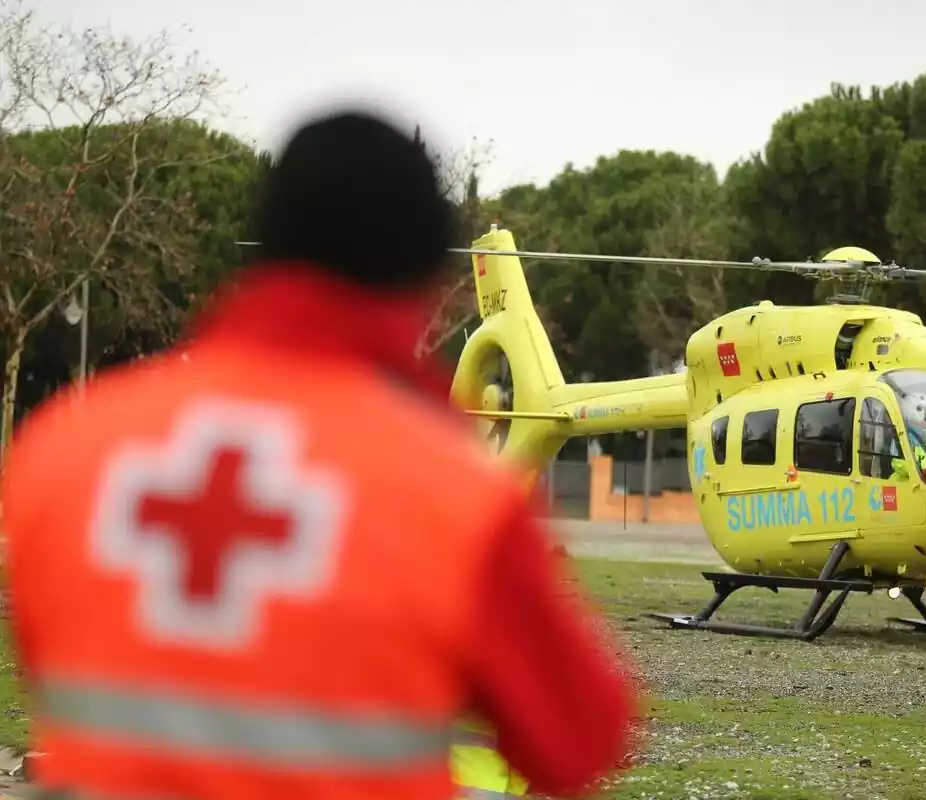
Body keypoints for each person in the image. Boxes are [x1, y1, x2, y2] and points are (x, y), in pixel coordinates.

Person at [0, 108, 637, 799]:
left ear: (264, 248)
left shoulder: (64, 448)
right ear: (426, 275)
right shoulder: (455, 494)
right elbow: (582, 739)